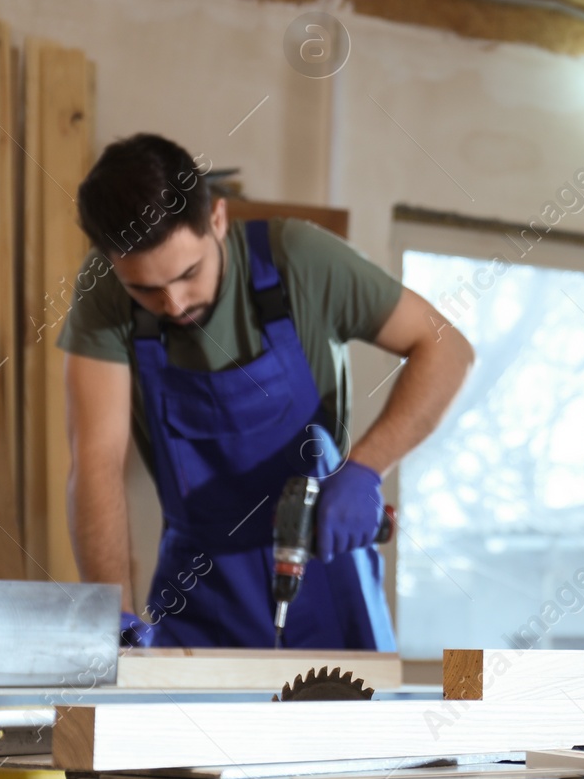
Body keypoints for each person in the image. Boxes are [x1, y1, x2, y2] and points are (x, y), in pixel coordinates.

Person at [59, 133, 473, 649]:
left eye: (189, 273)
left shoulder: (299, 259)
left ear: (217, 220)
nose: (171, 302)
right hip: (199, 585)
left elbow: (446, 349)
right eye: (143, 289)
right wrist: (110, 609)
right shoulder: (103, 291)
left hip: (323, 567)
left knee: (351, 723)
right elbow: (96, 460)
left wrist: (365, 470)